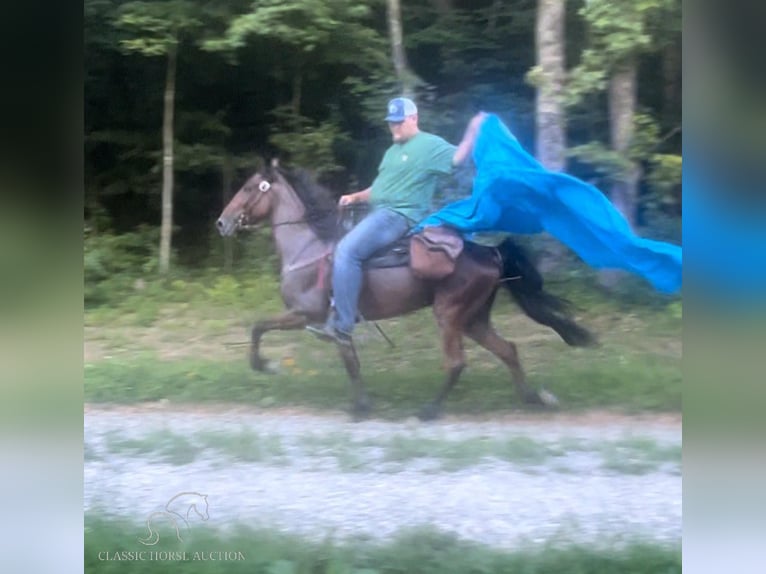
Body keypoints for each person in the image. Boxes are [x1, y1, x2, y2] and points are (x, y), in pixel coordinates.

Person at [306, 97, 487, 345]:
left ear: (414, 119)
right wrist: (355, 196)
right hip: (378, 212)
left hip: (398, 216)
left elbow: (459, 158)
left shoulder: (429, 145)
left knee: (347, 251)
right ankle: (347, 305)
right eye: (391, 123)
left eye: (400, 122)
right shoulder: (392, 152)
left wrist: (473, 129)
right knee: (335, 246)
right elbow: (380, 188)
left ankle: (342, 325)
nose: (395, 127)